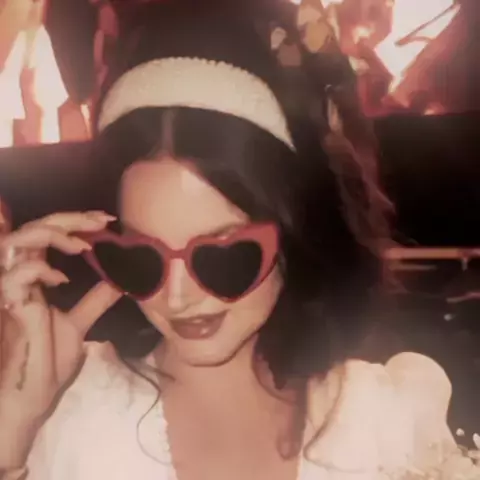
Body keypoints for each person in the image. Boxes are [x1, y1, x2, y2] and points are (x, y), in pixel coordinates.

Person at [0, 1, 463, 479]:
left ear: (295, 227)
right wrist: (10, 439)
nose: (176, 297)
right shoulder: (68, 418)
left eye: (223, 256)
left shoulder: (384, 422)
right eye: (139, 259)